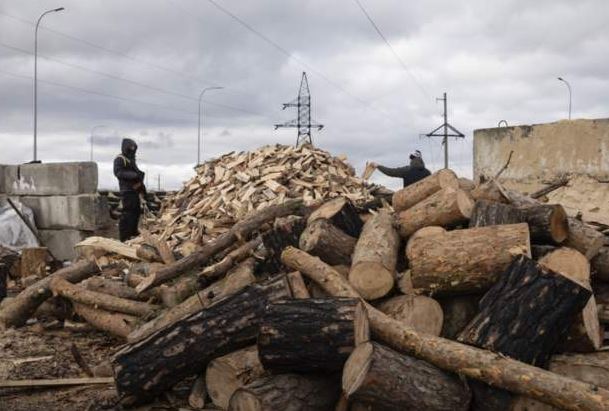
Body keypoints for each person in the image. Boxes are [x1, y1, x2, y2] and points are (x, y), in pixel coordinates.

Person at [114, 138, 146, 241]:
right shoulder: (120, 159)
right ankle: (124, 237)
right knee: (127, 214)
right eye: (131, 147)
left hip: (135, 190)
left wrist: (142, 188)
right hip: (127, 191)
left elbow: (136, 173)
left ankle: (133, 232)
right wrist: (133, 175)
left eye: (134, 148)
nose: (132, 150)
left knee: (136, 212)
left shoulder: (131, 159)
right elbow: (118, 173)